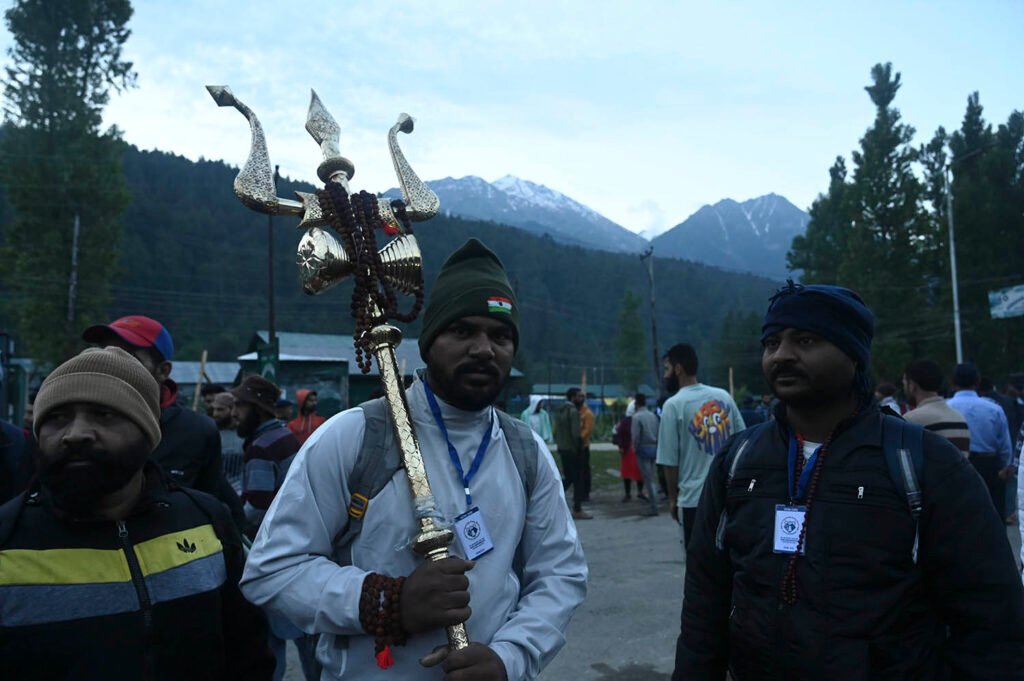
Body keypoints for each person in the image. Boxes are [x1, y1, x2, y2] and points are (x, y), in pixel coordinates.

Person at [240, 238, 587, 680]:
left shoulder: (525, 451)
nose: (484, 349)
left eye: (500, 335)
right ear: (428, 343)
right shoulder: (358, 435)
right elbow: (271, 571)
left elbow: (561, 573)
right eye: (463, 331)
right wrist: (386, 602)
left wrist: (510, 657)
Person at [674, 282, 1024, 680]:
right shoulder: (737, 462)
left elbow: (991, 622)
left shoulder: (924, 464)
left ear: (854, 355)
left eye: (805, 340)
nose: (782, 355)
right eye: (772, 342)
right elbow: (705, 600)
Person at [0, 347, 274, 680]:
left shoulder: (205, 522)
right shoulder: (8, 541)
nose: (76, 434)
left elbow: (249, 655)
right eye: (58, 417)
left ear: (147, 433)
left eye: (103, 414)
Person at [83, 315, 245, 531]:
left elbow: (219, 508)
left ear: (163, 370)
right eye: (104, 355)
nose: (113, 366)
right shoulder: (75, 426)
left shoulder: (196, 431)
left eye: (128, 357)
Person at [656, 342, 745, 547]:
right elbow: (742, 441)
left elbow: (669, 462)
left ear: (678, 368)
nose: (665, 375)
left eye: (667, 369)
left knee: (698, 565)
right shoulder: (723, 396)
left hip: (693, 500)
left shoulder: (673, 405)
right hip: (728, 495)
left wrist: (672, 499)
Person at [947, 362, 1015, 518]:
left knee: (961, 518)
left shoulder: (946, 407)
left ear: (952, 382)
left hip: (955, 466)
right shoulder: (993, 408)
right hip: (989, 468)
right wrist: (1005, 467)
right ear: (978, 381)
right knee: (994, 518)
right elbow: (1005, 446)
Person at [902, 359, 970, 456]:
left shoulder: (910, 420)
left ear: (912, 386)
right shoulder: (960, 418)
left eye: (904, 383)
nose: (904, 389)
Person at [555, 387, 591, 520]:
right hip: (573, 450)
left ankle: (553, 500)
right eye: (579, 396)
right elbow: (576, 434)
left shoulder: (560, 410)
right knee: (577, 479)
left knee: (569, 477)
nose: (582, 399)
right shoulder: (573, 411)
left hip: (562, 448)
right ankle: (577, 509)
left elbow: (557, 430)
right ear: (573, 397)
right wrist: (579, 447)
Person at [631, 393, 660, 517]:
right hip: (655, 448)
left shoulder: (637, 417)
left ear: (636, 404)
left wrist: (635, 448)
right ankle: (655, 504)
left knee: (648, 479)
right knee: (652, 476)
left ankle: (654, 507)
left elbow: (636, 436)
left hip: (643, 448)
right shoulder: (653, 415)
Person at [211, 392, 245, 493]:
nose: (215, 414)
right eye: (214, 409)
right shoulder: (210, 432)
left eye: (220, 409)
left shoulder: (243, 434)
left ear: (232, 409)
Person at [615, 401, 645, 502]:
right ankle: (628, 493)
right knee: (628, 473)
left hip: (636, 449)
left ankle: (639, 492)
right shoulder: (626, 421)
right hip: (628, 450)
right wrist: (621, 446)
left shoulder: (638, 419)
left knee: (639, 472)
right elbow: (620, 434)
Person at [578, 392, 595, 502]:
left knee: (584, 470)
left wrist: (578, 439)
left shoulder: (587, 413)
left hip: (583, 446)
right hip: (575, 447)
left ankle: (585, 493)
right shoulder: (576, 412)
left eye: (581, 397)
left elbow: (587, 430)